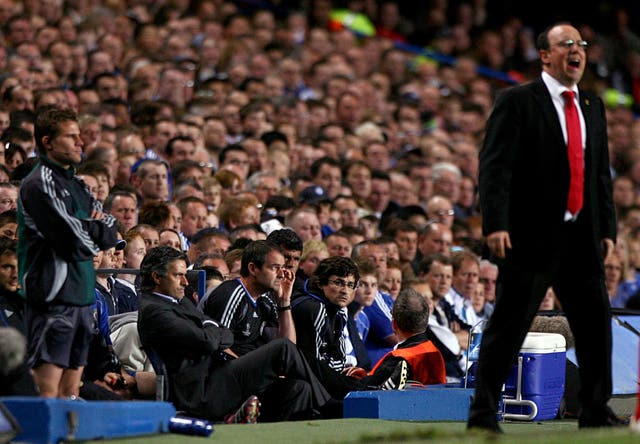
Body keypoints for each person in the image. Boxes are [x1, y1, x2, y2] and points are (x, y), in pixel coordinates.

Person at [469, 23, 620, 432]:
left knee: (594, 324)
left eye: (581, 44)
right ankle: (482, 413)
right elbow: (495, 165)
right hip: (531, 235)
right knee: (509, 324)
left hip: (581, 237)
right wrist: (496, 222)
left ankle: (594, 409)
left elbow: (598, 175)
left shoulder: (592, 105)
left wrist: (607, 230)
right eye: (566, 43)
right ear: (545, 55)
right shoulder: (517, 101)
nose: (577, 50)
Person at [137, 246, 334, 422]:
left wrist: (214, 332)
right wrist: (214, 332)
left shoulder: (178, 301)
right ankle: (330, 406)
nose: (185, 282)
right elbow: (208, 341)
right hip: (202, 393)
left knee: (299, 388)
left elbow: (219, 331)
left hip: (219, 378)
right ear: (157, 277)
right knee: (281, 348)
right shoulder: (155, 310)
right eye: (178, 275)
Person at [18, 108, 118, 398]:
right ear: (48, 141)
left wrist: (94, 230)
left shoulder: (77, 184)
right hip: (53, 295)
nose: (80, 143)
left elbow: (110, 226)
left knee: (72, 389)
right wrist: (95, 232)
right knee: (47, 388)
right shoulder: (39, 184)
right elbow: (72, 240)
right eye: (71, 137)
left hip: (81, 294)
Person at [367, 289, 446, 386]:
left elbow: (368, 388)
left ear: (394, 324)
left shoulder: (398, 359)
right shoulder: (435, 352)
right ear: (425, 322)